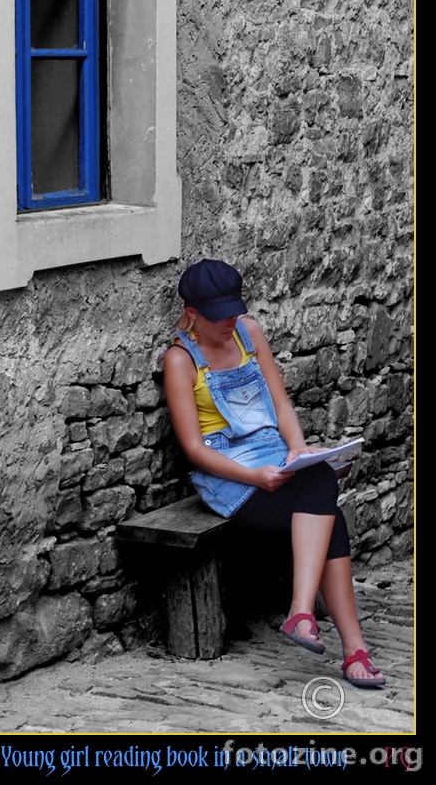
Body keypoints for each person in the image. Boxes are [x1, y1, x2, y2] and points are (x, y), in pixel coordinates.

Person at [163, 258, 385, 688]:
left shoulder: (250, 333)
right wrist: (256, 477)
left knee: (319, 476)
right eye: (218, 315)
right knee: (329, 510)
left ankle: (303, 613)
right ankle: (349, 645)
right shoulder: (180, 360)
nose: (230, 321)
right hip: (229, 475)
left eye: (234, 310)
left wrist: (298, 448)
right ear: (192, 314)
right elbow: (193, 448)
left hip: (273, 455)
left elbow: (281, 405)